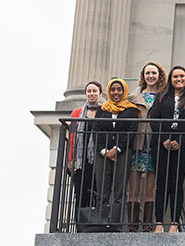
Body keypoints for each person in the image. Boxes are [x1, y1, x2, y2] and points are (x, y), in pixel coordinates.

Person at [147, 66, 185, 232]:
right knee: (161, 184)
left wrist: (179, 140)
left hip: (182, 147)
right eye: (175, 76)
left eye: (182, 76)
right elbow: (153, 119)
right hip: (161, 146)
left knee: (176, 184)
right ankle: (159, 223)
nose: (178, 79)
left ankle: (175, 223)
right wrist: (164, 139)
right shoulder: (162, 97)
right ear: (170, 79)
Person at [92, 78, 144, 231]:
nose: (116, 92)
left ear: (124, 91)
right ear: (109, 91)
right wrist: (104, 151)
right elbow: (96, 131)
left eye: (119, 90)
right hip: (102, 154)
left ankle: (115, 225)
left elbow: (132, 130)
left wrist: (117, 149)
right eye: (113, 89)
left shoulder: (132, 109)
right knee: (102, 188)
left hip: (123, 152)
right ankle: (101, 224)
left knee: (120, 190)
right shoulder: (102, 109)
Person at [126, 60, 164, 231]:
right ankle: (133, 224)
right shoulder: (133, 97)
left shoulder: (164, 96)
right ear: (143, 76)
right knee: (133, 188)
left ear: (159, 75)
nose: (151, 76)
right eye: (148, 73)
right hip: (137, 144)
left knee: (150, 188)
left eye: (154, 73)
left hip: (154, 146)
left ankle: (148, 224)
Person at [67, 82, 104, 221]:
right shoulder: (77, 113)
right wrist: (70, 159)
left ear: (100, 94)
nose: (92, 93)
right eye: (89, 91)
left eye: (95, 91)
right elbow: (72, 137)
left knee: (97, 191)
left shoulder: (104, 111)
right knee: (81, 193)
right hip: (80, 160)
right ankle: (80, 224)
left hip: (98, 158)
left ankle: (94, 223)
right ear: (86, 94)